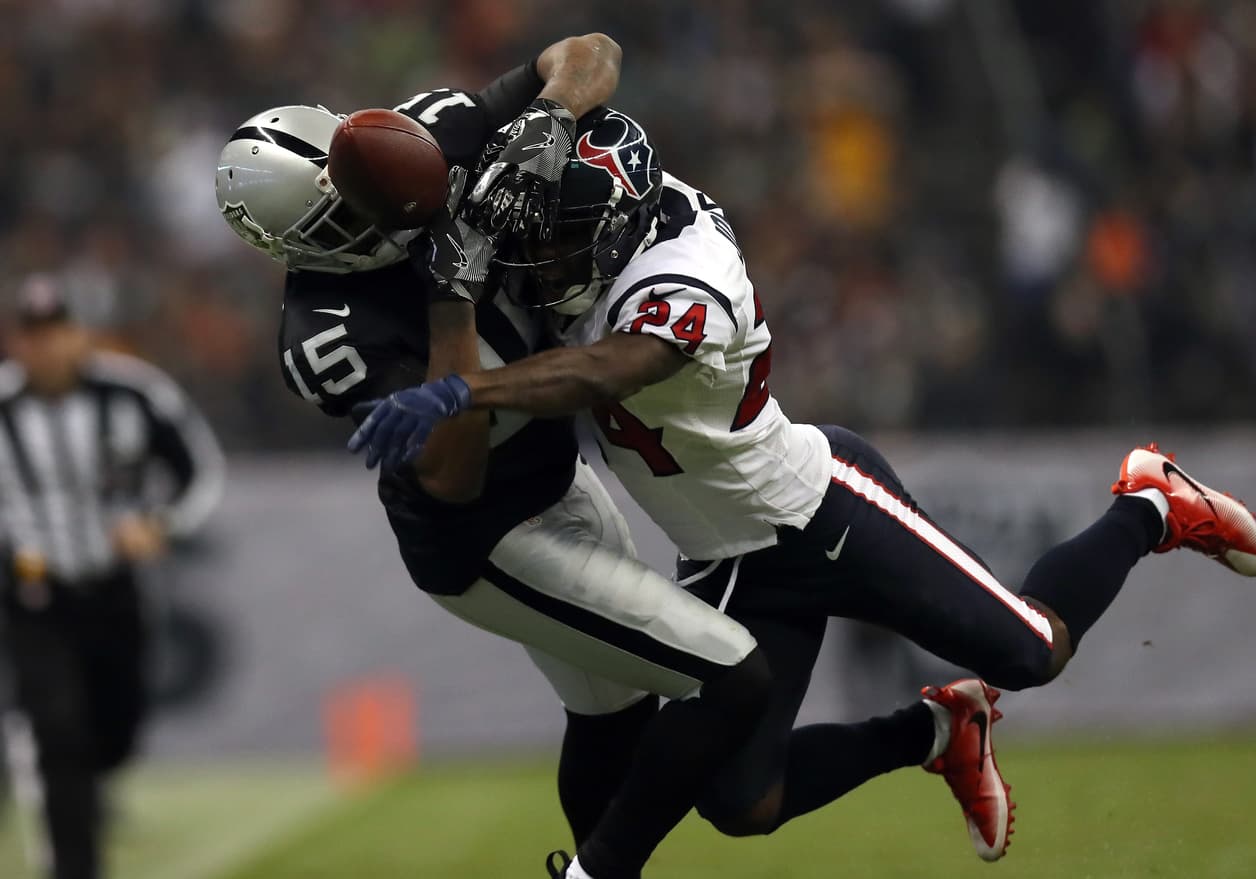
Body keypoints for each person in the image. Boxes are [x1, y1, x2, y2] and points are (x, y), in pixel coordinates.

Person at [351, 105, 1256, 875]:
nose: (542, 263)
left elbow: (603, 370)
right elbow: (588, 56)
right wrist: (535, 122)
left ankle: (1149, 502)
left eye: (560, 244)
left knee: (1033, 650)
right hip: (727, 551)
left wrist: (463, 387)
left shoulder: (686, 273)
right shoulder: (598, 208)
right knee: (743, 802)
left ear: (617, 228)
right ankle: (935, 733)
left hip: (820, 507)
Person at [216, 34, 775, 879]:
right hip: (485, 536)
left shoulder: (421, 135)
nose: (375, 215)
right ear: (287, 245)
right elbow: (451, 471)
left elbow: (589, 48)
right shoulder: (327, 333)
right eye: (342, 217)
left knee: (613, 714)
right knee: (733, 676)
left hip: (555, 469)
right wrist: (452, 303)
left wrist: (549, 117)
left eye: (359, 190)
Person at [0, 275, 225, 879]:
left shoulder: (132, 394)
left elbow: (198, 468)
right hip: (32, 596)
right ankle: (76, 863)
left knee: (116, 727)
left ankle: (90, 782)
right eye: (35, 336)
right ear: (18, 343)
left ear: (80, 335)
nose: (48, 348)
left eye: (59, 332)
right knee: (55, 726)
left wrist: (162, 524)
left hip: (115, 590)